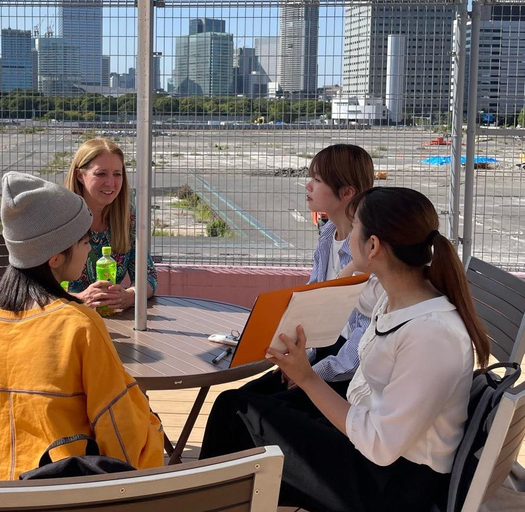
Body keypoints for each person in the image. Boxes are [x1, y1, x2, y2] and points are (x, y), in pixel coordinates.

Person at [201, 187, 490, 512]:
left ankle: (200, 501)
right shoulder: (397, 295)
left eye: (353, 228)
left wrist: (308, 378)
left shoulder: (431, 335)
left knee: (237, 411)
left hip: (388, 486)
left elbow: (381, 444)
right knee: (241, 411)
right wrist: (357, 261)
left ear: (374, 244)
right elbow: (344, 295)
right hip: (371, 456)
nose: (346, 235)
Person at [0, 172, 164, 480]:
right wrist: (153, 427)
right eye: (84, 242)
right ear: (55, 257)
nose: (87, 251)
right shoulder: (78, 325)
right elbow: (123, 433)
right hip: (54, 494)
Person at [240, 144, 376, 408]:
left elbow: (366, 332)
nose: (308, 186)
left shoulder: (368, 252)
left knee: (248, 408)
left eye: (317, 179)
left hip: (349, 370)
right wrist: (300, 358)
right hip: (321, 352)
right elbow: (313, 304)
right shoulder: (327, 236)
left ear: (347, 192)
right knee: (232, 402)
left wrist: (314, 372)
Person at [65, 138, 157, 310]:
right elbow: (34, 288)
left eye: (117, 174)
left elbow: (149, 276)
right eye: (101, 174)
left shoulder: (127, 217)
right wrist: (80, 298)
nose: (111, 183)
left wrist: (130, 296)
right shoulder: (59, 219)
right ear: (80, 176)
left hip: (114, 320)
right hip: (67, 320)